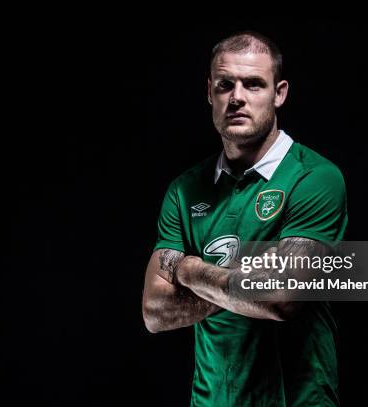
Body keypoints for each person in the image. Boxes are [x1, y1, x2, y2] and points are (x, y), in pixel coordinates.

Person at [142, 30, 348, 406]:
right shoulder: (184, 190)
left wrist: (187, 270)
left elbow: (282, 297)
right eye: (225, 85)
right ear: (210, 93)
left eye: (254, 84)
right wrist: (248, 280)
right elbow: (155, 312)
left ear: (279, 93)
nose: (237, 97)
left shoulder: (314, 177)